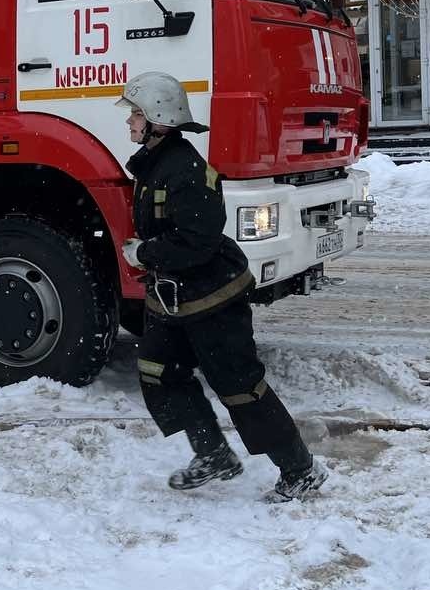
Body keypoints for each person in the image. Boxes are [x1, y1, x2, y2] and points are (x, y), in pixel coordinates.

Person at [118, 72, 327, 502]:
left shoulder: (185, 171)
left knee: (238, 385)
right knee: (159, 373)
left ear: (158, 118)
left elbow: (198, 241)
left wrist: (145, 254)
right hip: (172, 299)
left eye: (136, 114)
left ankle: (299, 469)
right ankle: (213, 454)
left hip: (213, 300)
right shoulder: (154, 163)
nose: (130, 122)